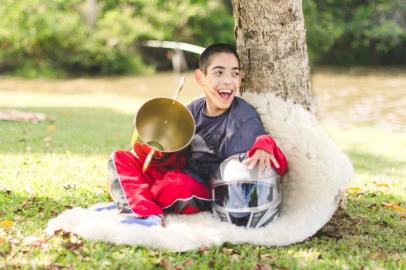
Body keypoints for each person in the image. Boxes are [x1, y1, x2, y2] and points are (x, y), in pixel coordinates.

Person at [106, 43, 288, 227]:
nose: (228, 81)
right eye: (219, 73)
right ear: (200, 77)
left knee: (171, 186)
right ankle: (138, 207)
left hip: (207, 188)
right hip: (180, 172)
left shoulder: (242, 116)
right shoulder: (192, 110)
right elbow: (177, 158)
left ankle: (141, 208)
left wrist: (265, 144)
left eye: (235, 73)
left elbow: (265, 156)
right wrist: (159, 149)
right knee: (120, 158)